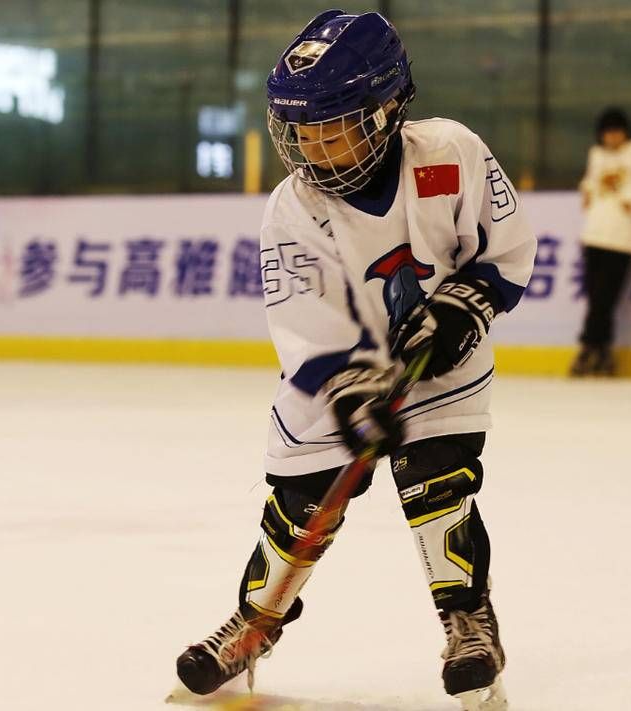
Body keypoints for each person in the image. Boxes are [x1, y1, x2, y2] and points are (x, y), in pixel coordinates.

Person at [174, 11, 536, 711]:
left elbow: (507, 246)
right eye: (300, 129)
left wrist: (465, 306)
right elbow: (305, 327)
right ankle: (254, 621)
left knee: (437, 483)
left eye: (331, 125)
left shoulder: (451, 153)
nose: (311, 144)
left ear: (387, 109)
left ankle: (468, 619)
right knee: (297, 507)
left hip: (444, 365)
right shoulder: (293, 208)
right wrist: (353, 389)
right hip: (342, 379)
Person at [571, 108, 631, 376]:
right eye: (607, 132)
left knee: (604, 298)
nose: (612, 136)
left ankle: (592, 346)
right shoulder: (597, 155)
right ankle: (598, 347)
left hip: (622, 238)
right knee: (596, 297)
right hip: (594, 234)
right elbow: (590, 181)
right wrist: (586, 190)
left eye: (616, 130)